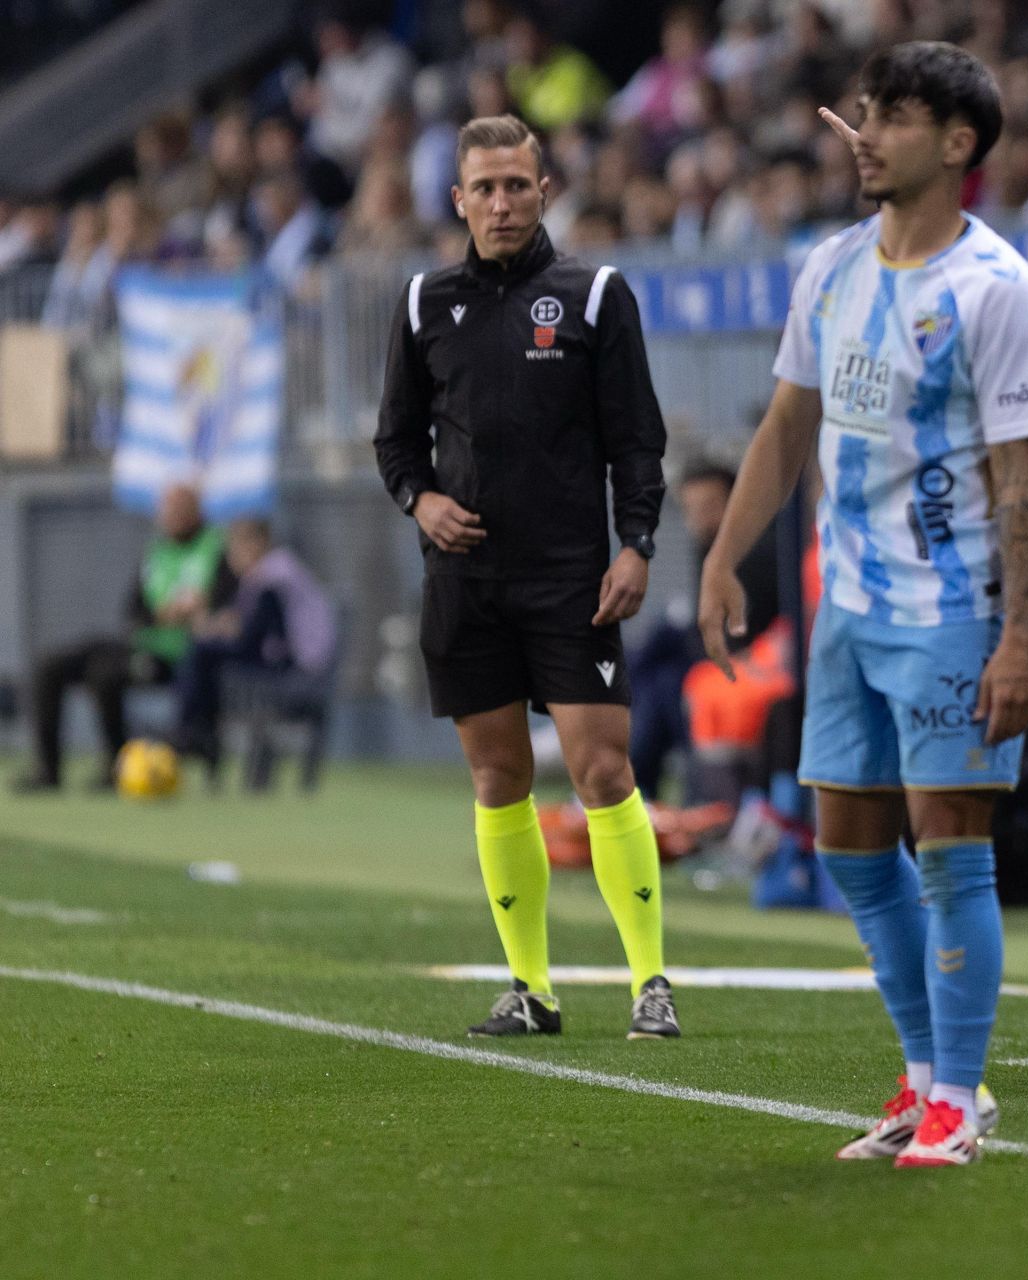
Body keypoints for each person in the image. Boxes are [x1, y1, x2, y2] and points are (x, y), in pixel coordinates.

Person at [701, 43, 1028, 1168]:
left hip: (952, 609)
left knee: (950, 847)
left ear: (957, 143)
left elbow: (1020, 477)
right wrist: (724, 557)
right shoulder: (832, 266)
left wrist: (1017, 633)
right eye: (863, 113)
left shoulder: (998, 289)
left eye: (892, 117)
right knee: (851, 846)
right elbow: (786, 427)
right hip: (846, 607)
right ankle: (923, 1075)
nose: (863, 134)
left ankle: (957, 1094)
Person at [373, 113, 678, 1042]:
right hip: (465, 579)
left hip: (570, 578)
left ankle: (651, 982)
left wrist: (636, 546)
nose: (502, 203)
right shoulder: (425, 299)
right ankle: (531, 987)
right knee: (498, 779)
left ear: (544, 192)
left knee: (602, 768)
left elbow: (638, 439)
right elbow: (395, 440)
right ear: (458, 199)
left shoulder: (594, 295)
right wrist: (420, 502)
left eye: (517, 185)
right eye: (485, 189)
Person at [16, 484, 235, 794]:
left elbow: (231, 608)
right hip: (143, 643)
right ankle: (48, 770)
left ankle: (116, 766)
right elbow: (133, 613)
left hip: (179, 656)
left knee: (104, 674)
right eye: (165, 509)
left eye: (176, 509)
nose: (168, 516)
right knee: (50, 665)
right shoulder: (157, 550)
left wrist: (200, 611)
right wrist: (162, 616)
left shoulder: (217, 549)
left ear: (195, 512)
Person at [625, 462, 778, 796]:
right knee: (648, 660)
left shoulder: (761, 549)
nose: (699, 519)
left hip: (743, 666)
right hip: (710, 657)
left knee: (659, 681)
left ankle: (633, 788)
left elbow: (756, 632)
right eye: (691, 510)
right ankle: (630, 785)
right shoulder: (708, 548)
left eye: (710, 507)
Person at [170, 517, 339, 772]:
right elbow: (247, 624)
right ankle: (196, 732)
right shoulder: (280, 568)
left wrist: (209, 625)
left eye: (235, 548)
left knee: (203, 652)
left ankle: (193, 733)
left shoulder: (271, 575)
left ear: (257, 544)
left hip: (297, 669)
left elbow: (249, 634)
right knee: (208, 653)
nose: (231, 557)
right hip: (299, 663)